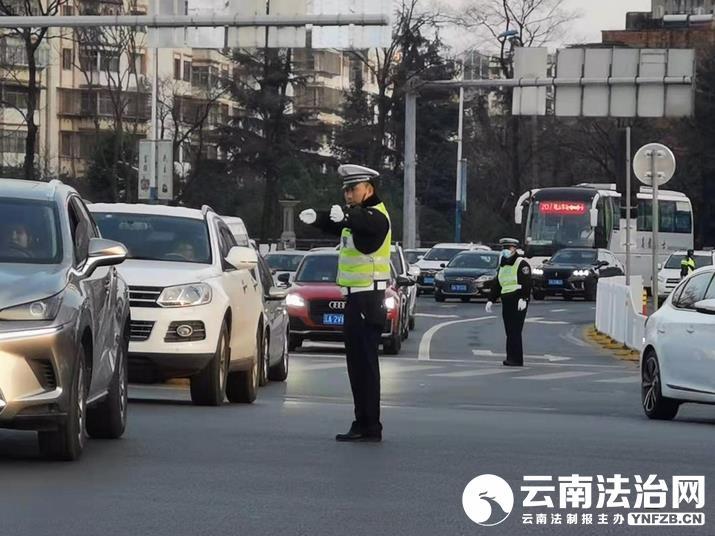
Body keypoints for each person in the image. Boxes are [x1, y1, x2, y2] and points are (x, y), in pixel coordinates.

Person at [299, 164, 391, 442]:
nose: (348, 194)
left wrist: (349, 215)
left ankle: (371, 425)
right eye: (345, 190)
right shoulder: (357, 216)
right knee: (356, 365)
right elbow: (339, 222)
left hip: (367, 298)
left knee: (365, 364)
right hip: (354, 298)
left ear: (369, 189)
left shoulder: (378, 217)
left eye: (353, 189)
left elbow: (363, 222)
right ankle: (362, 421)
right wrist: (318, 218)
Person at [485, 238, 532, 367]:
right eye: (504, 248)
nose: (506, 251)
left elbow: (527, 283)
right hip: (507, 301)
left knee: (515, 330)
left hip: (518, 300)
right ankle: (510, 357)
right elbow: (497, 283)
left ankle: (517, 359)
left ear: (514, 249)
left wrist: (524, 298)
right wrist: (491, 299)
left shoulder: (521, 263)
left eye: (509, 248)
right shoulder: (503, 264)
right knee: (509, 331)